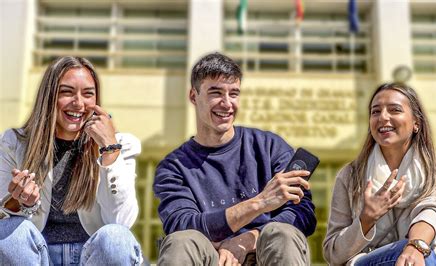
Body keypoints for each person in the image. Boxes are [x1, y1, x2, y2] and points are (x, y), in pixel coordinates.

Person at [154, 52, 316, 266]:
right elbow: (183, 224)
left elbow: (302, 212)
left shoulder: (270, 147)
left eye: (234, 93)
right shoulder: (174, 167)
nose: (227, 103)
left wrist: (249, 239)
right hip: (210, 259)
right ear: (194, 96)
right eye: (216, 92)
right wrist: (260, 202)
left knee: (282, 233)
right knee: (182, 241)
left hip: (265, 253)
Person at [0, 56, 142, 265]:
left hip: (94, 257)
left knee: (116, 239)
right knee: (9, 231)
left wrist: (110, 150)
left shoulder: (122, 145)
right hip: (37, 256)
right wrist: (20, 202)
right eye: (66, 92)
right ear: (49, 97)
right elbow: (4, 218)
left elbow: (122, 221)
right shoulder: (14, 143)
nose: (79, 103)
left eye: (88, 94)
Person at [323, 83, 436, 266]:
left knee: (419, 253)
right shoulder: (350, 176)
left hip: (415, 257)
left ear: (416, 122)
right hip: (364, 263)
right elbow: (333, 254)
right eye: (375, 112)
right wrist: (366, 219)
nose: (383, 117)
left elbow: (432, 213)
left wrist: (415, 247)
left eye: (395, 110)